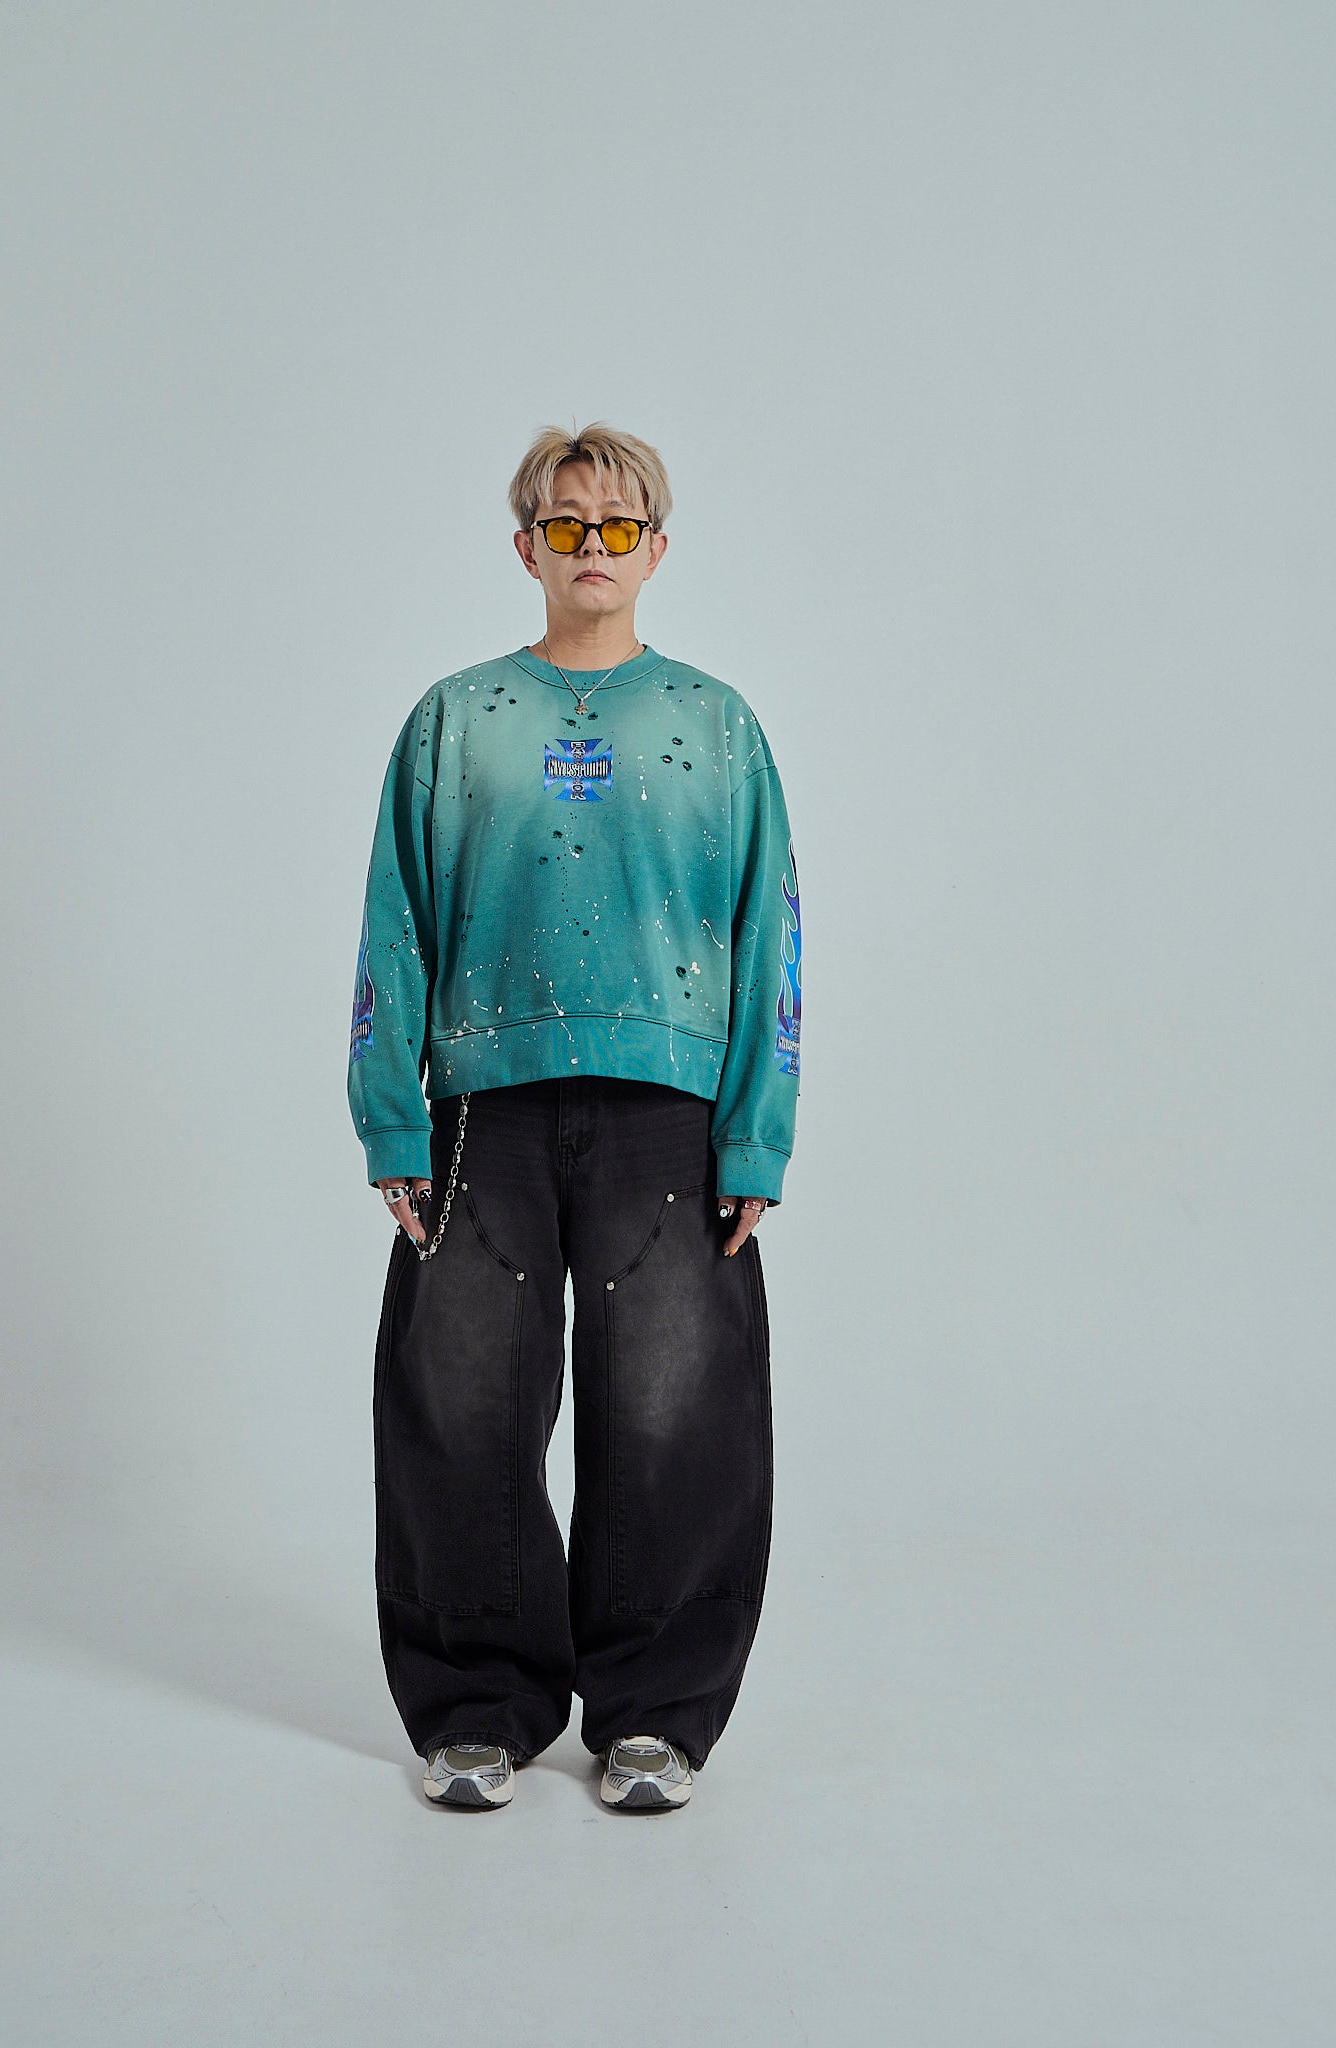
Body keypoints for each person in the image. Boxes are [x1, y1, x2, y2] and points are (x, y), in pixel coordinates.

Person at [346, 421, 802, 1813]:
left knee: (673, 1416)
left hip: (670, 1113)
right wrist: (392, 1120)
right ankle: (476, 1708)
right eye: (564, 524)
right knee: (461, 1408)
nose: (589, 547)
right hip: (480, 1112)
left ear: (656, 547)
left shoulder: (717, 724)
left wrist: (756, 1133)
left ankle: (654, 1714)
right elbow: (395, 924)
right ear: (525, 546)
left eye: (616, 526)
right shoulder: (455, 719)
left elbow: (770, 933)